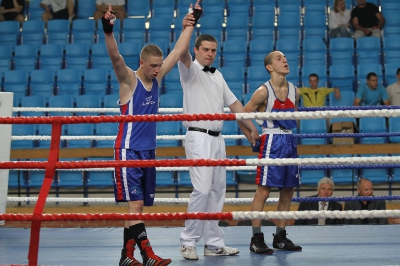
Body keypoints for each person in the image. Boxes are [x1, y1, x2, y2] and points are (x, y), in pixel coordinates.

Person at [103, 2, 197, 265]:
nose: (157, 69)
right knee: (135, 206)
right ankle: (148, 255)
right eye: (153, 65)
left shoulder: (156, 79)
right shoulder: (129, 80)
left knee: (137, 208)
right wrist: (108, 31)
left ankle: (125, 256)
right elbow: (115, 58)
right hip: (128, 151)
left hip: (148, 152)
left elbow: (179, 50)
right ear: (142, 62)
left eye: (159, 65)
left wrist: (190, 23)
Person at [177, 9, 260, 261]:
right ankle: (188, 241)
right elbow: (180, 52)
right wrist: (187, 26)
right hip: (198, 136)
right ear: (197, 50)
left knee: (217, 191)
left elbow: (235, 105)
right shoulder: (189, 70)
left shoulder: (219, 76)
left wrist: (250, 127)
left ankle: (213, 242)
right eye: (205, 50)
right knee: (201, 190)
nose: (210, 53)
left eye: (213, 50)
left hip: (217, 139)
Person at [243, 50, 302, 255]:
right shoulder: (263, 92)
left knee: (288, 191)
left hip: (289, 141)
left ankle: (280, 237)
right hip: (271, 141)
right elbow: (242, 113)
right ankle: (256, 238)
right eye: (279, 58)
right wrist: (252, 133)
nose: (285, 60)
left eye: (285, 57)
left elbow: (295, 118)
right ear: (269, 67)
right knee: (264, 191)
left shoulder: (296, 91)